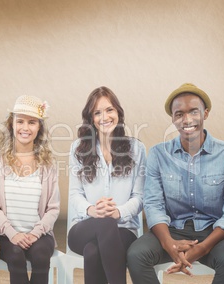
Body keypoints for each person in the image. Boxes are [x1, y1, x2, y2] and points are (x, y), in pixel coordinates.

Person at [127, 83, 224, 284]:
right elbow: (153, 204)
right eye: (179, 114)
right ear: (173, 119)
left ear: (205, 114)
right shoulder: (158, 154)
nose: (187, 120)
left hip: (213, 231)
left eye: (193, 112)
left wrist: (202, 248)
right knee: (135, 255)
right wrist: (169, 244)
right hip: (171, 229)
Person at [68, 86, 146, 284]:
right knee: (103, 224)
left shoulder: (136, 149)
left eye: (109, 110)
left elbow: (140, 197)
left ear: (118, 112)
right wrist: (92, 210)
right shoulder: (78, 149)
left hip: (124, 230)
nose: (104, 116)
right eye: (97, 112)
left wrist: (117, 212)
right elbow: (75, 194)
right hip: (83, 228)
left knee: (92, 251)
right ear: (91, 118)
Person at [0, 95, 60, 284]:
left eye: (32, 122)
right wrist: (13, 234)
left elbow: (53, 208)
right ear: (12, 124)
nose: (25, 128)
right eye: (20, 121)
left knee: (41, 256)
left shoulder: (48, 164)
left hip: (39, 235)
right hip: (5, 235)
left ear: (39, 127)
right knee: (16, 256)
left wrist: (35, 233)